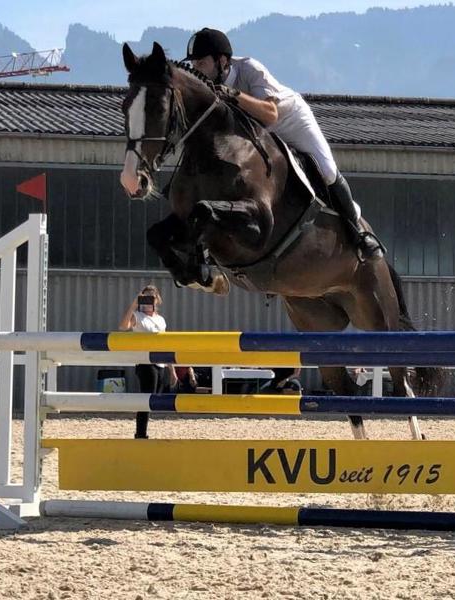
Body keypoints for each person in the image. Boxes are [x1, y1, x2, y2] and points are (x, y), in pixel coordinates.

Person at [185, 27, 383, 261]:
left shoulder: (250, 69)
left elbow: (270, 114)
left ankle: (358, 231)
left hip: (290, 121)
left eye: (200, 63)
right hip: (257, 134)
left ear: (221, 61)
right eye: (194, 65)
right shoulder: (208, 90)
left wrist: (233, 95)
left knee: (327, 172)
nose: (196, 70)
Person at [118, 285, 173, 439]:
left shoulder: (160, 320)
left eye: (151, 298)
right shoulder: (138, 316)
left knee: (154, 397)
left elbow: (165, 344)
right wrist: (134, 304)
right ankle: (141, 433)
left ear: (157, 300)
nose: (148, 302)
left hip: (160, 362)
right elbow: (123, 327)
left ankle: (142, 431)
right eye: (145, 298)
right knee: (146, 398)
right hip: (145, 363)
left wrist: (171, 368)